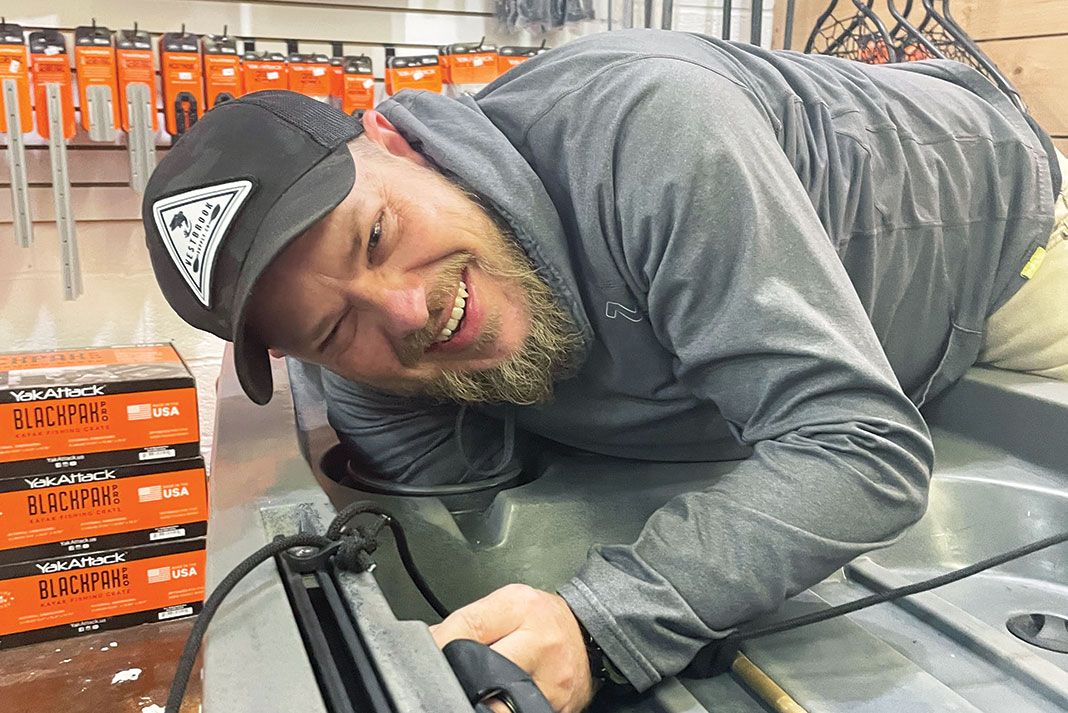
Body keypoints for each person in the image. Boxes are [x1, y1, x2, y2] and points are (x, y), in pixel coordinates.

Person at [143, 29, 1066, 713]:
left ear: (396, 143)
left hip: (993, 245)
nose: (403, 310)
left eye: (376, 234)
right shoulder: (372, 369)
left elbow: (860, 444)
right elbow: (477, 545)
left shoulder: (651, 132)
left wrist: (601, 619)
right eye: (334, 324)